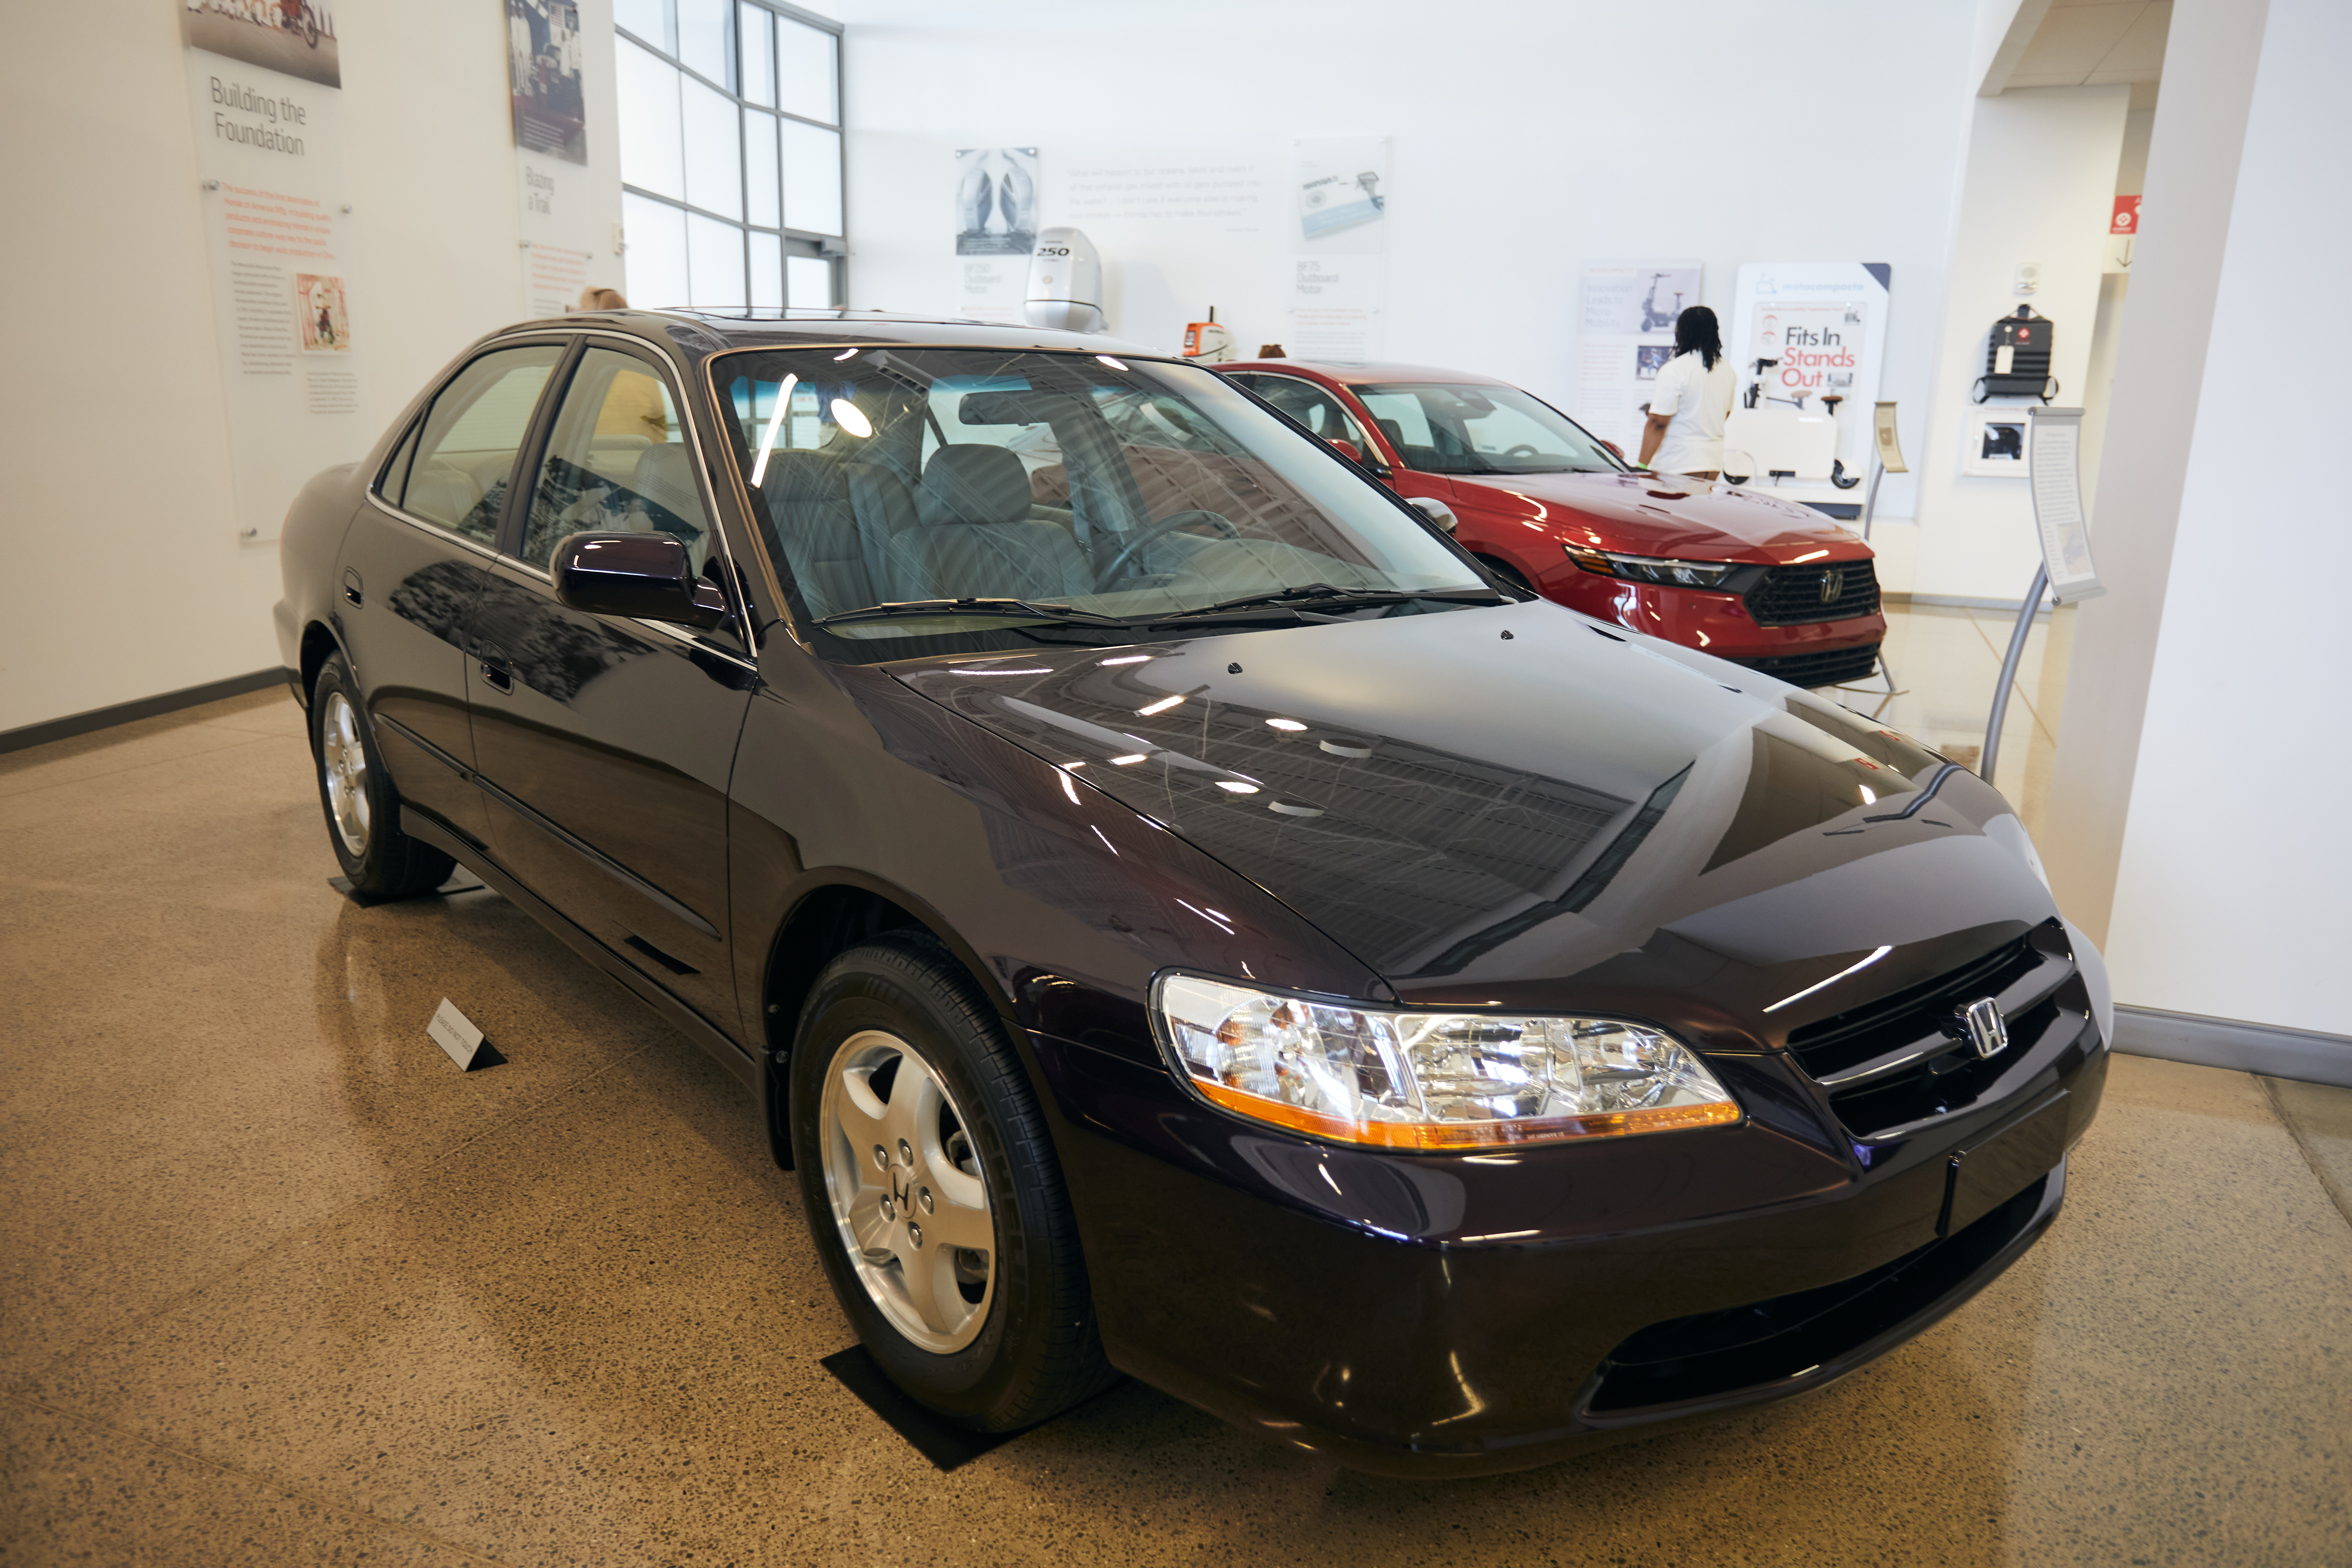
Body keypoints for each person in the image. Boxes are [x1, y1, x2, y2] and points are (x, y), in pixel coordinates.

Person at [1638, 305, 1734, 479]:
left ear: (1682, 332)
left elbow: (1658, 422)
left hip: (1676, 463)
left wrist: (1641, 466)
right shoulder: (1727, 370)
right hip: (1712, 464)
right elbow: (1724, 414)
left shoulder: (1676, 369)